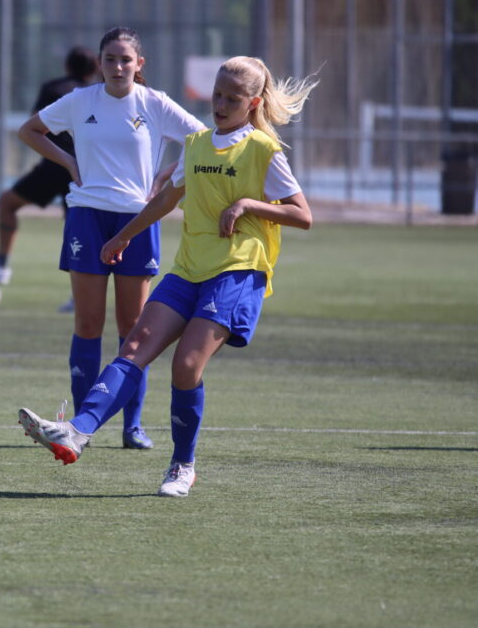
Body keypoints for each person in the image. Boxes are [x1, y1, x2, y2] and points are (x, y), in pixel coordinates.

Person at [18, 55, 318, 497]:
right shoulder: (196, 144)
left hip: (237, 271)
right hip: (189, 268)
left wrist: (248, 205)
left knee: (186, 365)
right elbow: (164, 201)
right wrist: (122, 237)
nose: (220, 104)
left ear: (253, 103)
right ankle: (77, 432)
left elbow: (303, 215)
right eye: (217, 94)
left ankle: (182, 466)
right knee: (134, 346)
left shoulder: (263, 150)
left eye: (233, 99)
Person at [13, 27, 205, 451]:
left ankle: (132, 426)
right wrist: (68, 162)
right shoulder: (80, 101)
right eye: (110, 59)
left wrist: (165, 176)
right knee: (87, 323)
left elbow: (203, 141)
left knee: (133, 330)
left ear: (140, 64)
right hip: (86, 217)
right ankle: (80, 427)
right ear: (99, 64)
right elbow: (29, 131)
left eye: (125, 59)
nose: (118, 67)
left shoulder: (155, 104)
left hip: (137, 220)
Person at [0, 45, 99, 293]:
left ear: (67, 66)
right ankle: (81, 294)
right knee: (79, 231)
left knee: (7, 203)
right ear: (95, 68)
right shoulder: (97, 94)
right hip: (86, 170)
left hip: (56, 165)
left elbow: (36, 124)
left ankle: (1, 264)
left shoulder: (54, 88)